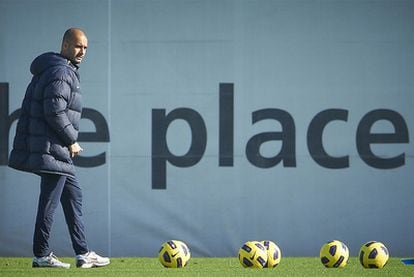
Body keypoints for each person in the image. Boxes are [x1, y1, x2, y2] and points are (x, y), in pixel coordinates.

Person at [8, 28, 110, 269]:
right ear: (65, 45)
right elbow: (54, 110)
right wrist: (71, 140)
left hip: (53, 150)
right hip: (53, 148)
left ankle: (83, 253)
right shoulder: (62, 71)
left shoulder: (56, 68)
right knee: (49, 203)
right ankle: (41, 255)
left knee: (73, 196)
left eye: (85, 47)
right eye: (77, 46)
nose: (82, 51)